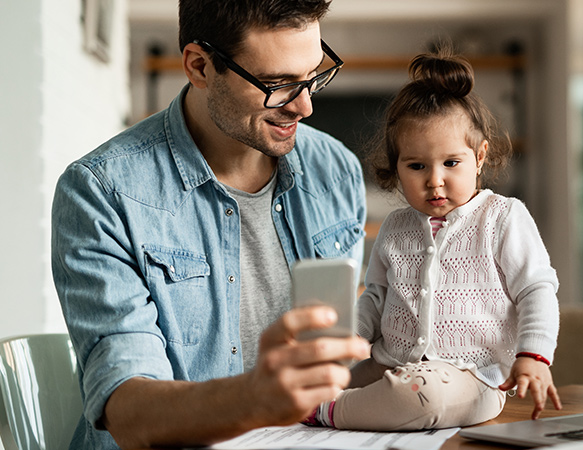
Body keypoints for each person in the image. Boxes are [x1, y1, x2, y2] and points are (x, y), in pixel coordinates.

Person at [50, 1, 370, 449]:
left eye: (314, 74)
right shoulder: (101, 193)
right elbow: (128, 411)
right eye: (277, 85)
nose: (305, 105)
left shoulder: (336, 170)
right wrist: (253, 399)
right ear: (200, 66)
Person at [302, 49, 562, 431]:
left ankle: (328, 411)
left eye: (451, 163)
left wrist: (533, 356)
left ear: (480, 156)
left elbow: (536, 289)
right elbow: (375, 298)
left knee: (422, 395)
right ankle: (333, 401)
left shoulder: (502, 217)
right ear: (396, 167)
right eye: (417, 166)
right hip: (387, 363)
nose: (434, 180)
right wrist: (343, 346)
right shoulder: (395, 226)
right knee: (310, 382)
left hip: (472, 376)